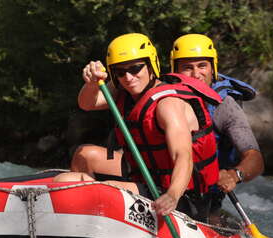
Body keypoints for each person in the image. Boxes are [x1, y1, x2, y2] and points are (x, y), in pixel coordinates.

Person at [55, 33, 221, 221]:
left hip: (182, 197)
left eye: (135, 68)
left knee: (77, 185)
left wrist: (173, 195)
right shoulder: (122, 91)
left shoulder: (168, 105)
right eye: (120, 72)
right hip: (144, 180)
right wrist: (93, 83)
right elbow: (87, 103)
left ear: (151, 65)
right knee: (75, 167)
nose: (128, 77)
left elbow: (182, 155)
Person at [170, 34, 265, 224]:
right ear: (175, 70)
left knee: (211, 217)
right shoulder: (165, 97)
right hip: (166, 186)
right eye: (187, 67)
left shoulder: (225, 106)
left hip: (205, 194)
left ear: (212, 68)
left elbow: (255, 158)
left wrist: (234, 175)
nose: (196, 74)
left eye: (202, 66)